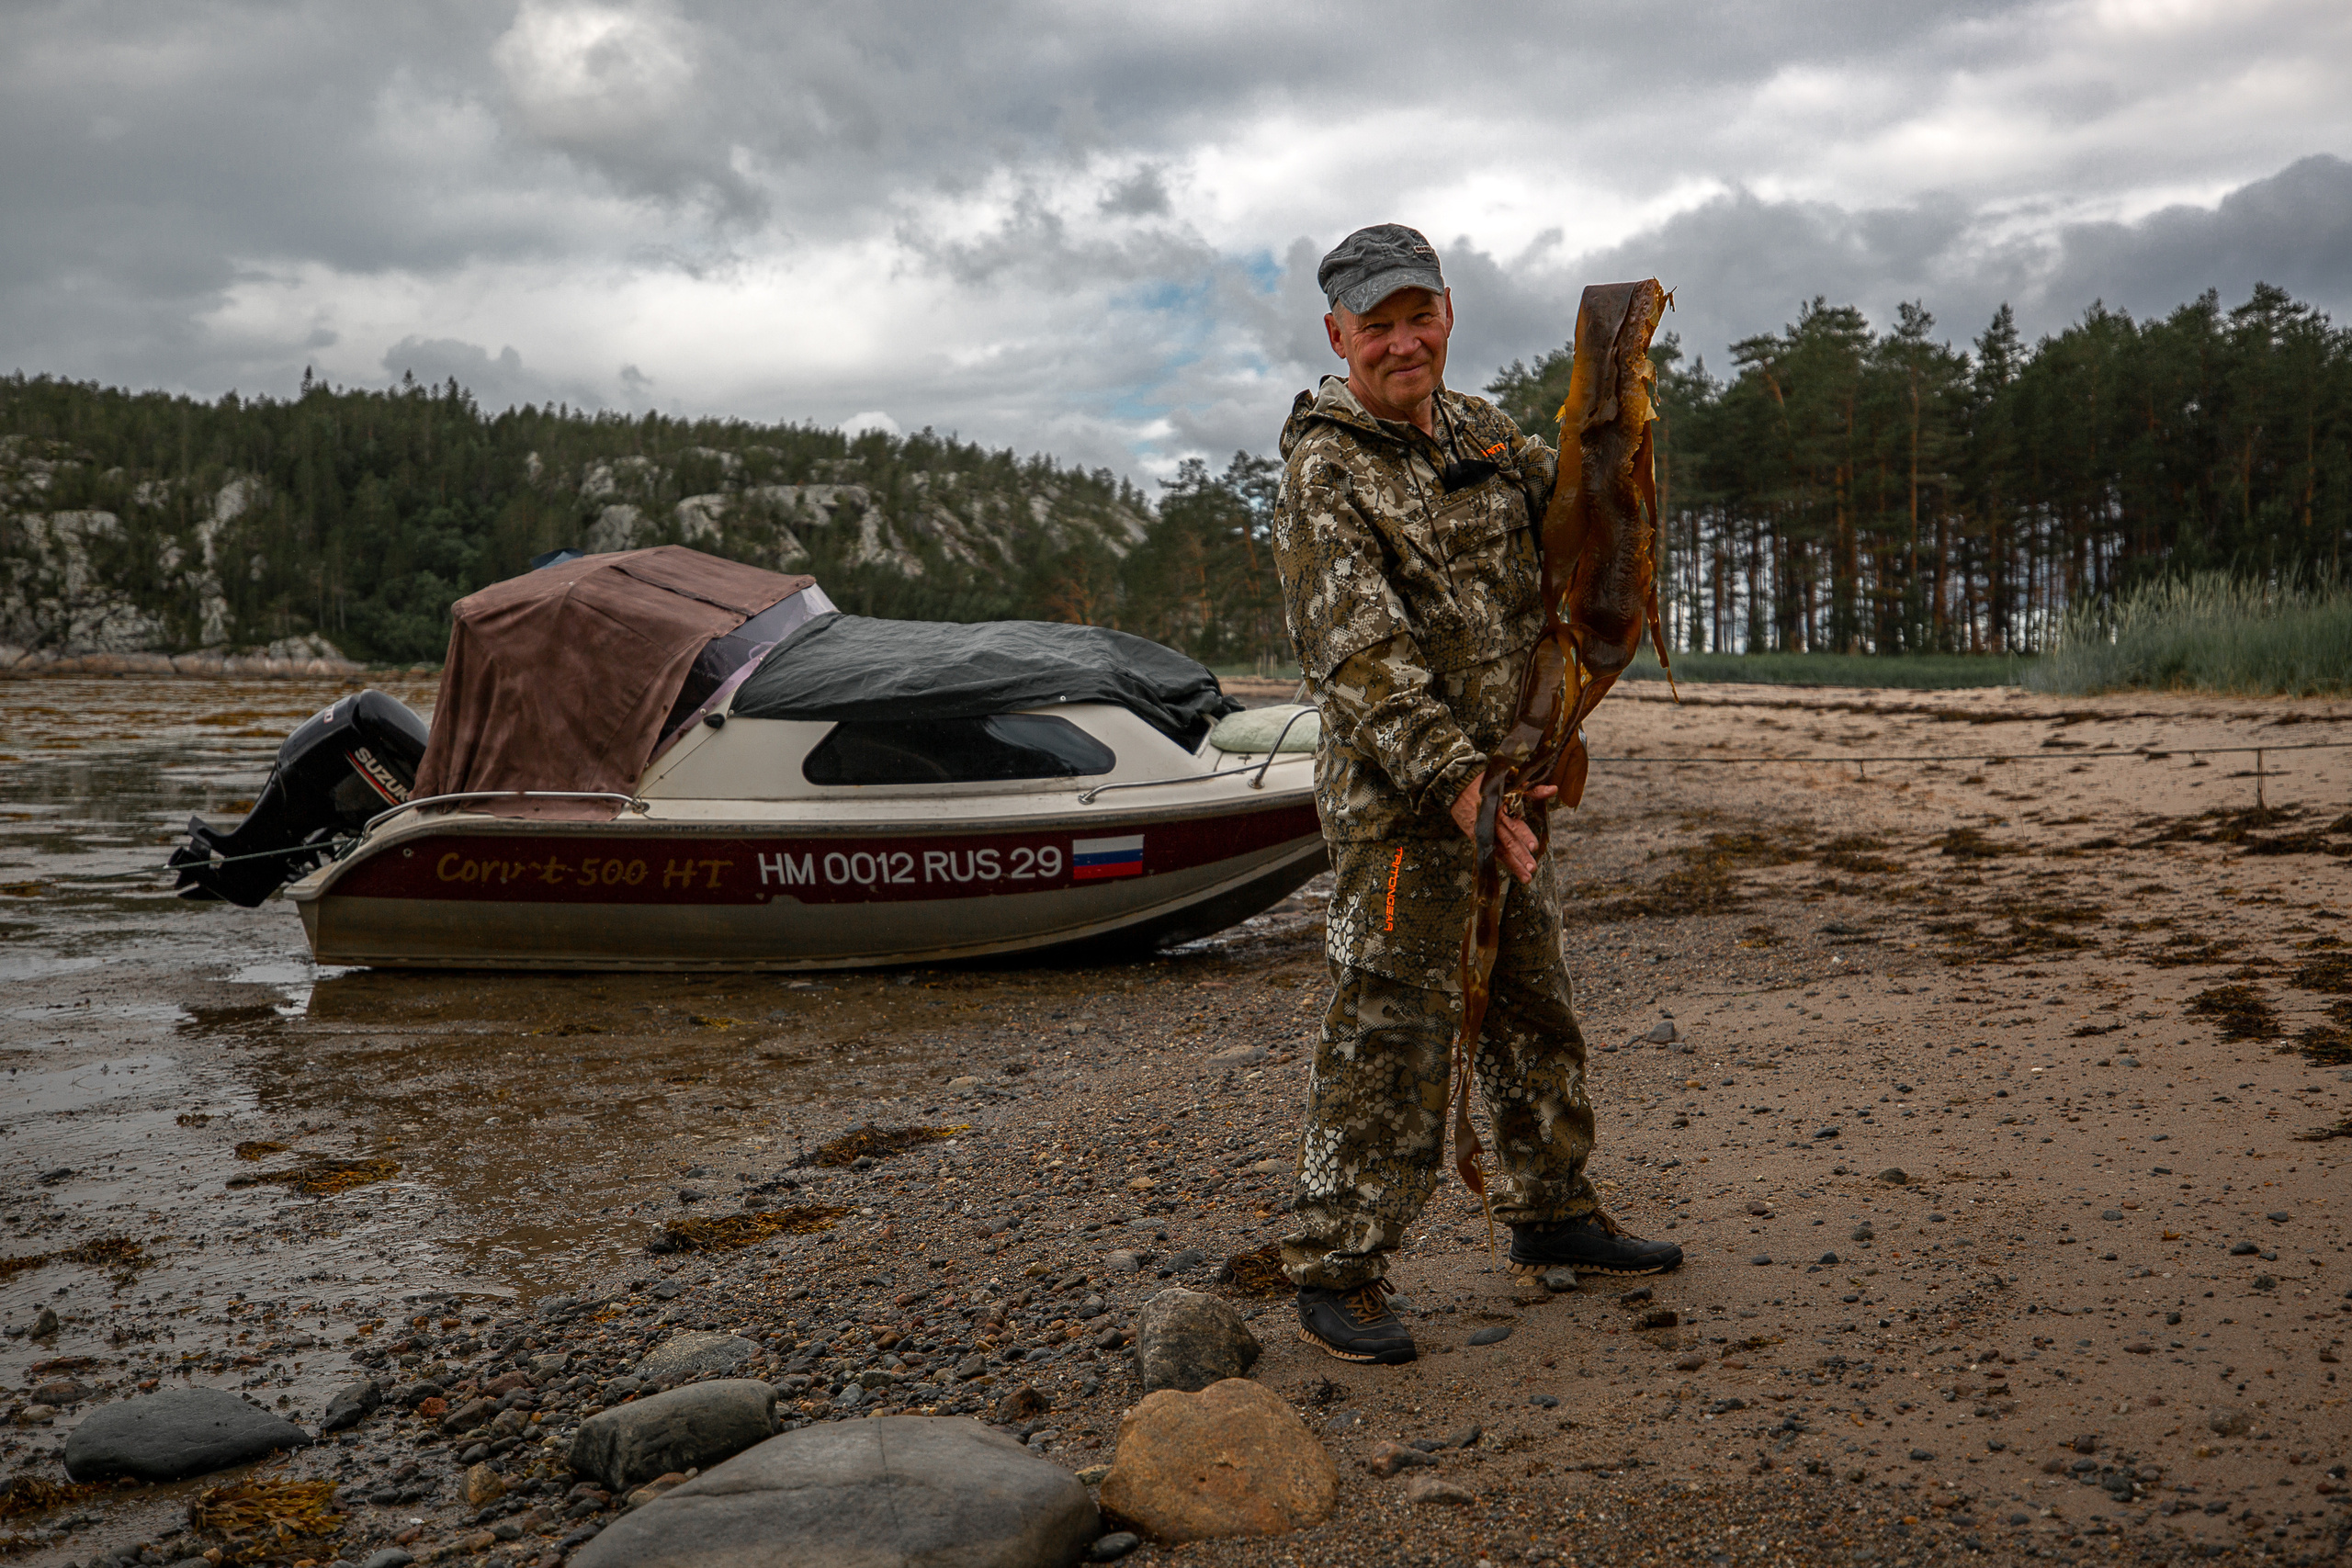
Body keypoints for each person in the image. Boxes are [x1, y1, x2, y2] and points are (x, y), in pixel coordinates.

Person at [1271, 223, 1681, 1366]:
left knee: (1529, 999)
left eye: (1420, 317)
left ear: (1447, 313)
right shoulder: (1324, 470)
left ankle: (1551, 1213)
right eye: (1378, 326)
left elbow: (1580, 538)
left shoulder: (1490, 435)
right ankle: (1336, 1264)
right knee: (1389, 1028)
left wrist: (1623, 400)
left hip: (1507, 780)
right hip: (1400, 808)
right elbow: (1358, 659)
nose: (1403, 344)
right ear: (1336, 334)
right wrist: (1455, 783)